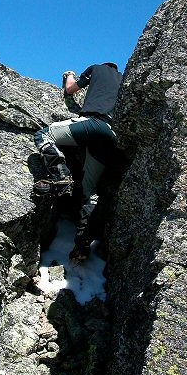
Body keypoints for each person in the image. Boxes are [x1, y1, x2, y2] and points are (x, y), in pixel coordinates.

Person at [33, 62, 123, 262]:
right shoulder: (124, 80)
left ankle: (61, 176)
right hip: (111, 135)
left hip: (92, 123)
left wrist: (69, 75)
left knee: (43, 136)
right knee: (90, 192)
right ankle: (81, 247)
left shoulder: (96, 69)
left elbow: (71, 89)